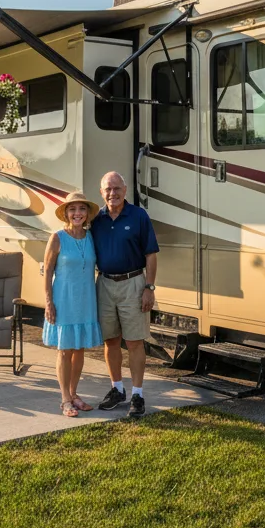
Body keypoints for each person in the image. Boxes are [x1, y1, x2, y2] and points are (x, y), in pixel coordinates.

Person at [91, 171, 158, 417]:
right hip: (105, 284)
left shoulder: (139, 216)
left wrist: (149, 287)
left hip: (133, 283)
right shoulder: (95, 219)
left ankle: (137, 394)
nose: (112, 193)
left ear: (125, 190)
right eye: (108, 189)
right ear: (101, 193)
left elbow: (151, 254)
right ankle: (117, 389)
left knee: (134, 341)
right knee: (110, 340)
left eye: (117, 188)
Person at [42, 190, 104, 417]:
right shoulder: (57, 238)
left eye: (81, 209)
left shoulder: (90, 237)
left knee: (79, 350)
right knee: (65, 350)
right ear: (66, 213)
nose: (77, 213)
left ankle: (74, 393)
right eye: (72, 209)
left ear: (87, 213)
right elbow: (47, 272)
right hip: (64, 300)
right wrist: (48, 302)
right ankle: (65, 399)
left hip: (86, 300)